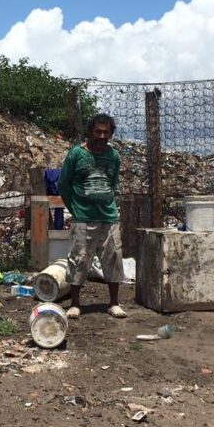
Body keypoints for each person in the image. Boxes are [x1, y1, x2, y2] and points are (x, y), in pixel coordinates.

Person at [57, 113, 126, 318]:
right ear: (90, 132)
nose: (102, 136)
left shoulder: (113, 156)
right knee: (79, 259)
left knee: (113, 257)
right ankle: (75, 303)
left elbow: (112, 182)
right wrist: (76, 208)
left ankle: (114, 303)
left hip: (108, 216)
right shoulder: (76, 154)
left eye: (106, 132)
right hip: (83, 217)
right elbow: (63, 184)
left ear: (111, 134)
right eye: (98, 132)